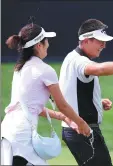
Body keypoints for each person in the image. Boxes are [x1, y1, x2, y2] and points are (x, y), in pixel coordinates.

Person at [1, 23, 91, 166]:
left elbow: (32, 107)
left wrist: (63, 118)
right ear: (39, 45)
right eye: (46, 41)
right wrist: (82, 123)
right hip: (22, 137)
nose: (48, 44)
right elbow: (61, 104)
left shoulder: (19, 69)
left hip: (7, 130)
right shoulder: (45, 70)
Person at [59, 18, 113, 166]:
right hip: (82, 130)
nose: (104, 45)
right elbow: (100, 69)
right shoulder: (80, 61)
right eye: (100, 41)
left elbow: (65, 93)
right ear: (86, 40)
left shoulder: (71, 57)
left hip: (76, 130)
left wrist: (95, 103)